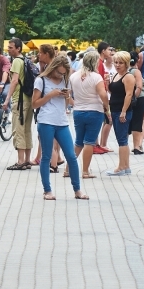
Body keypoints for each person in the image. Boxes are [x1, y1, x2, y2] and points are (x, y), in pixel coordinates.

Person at [34, 55, 88, 201]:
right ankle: (47, 190)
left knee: (71, 156)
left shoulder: (66, 80)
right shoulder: (41, 81)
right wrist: (51, 94)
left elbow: (69, 102)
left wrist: (67, 96)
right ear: (53, 68)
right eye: (58, 72)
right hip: (46, 121)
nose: (60, 75)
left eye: (63, 73)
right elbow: (34, 104)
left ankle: (77, 189)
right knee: (46, 156)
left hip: (62, 122)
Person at [69, 51, 109, 179]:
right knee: (89, 142)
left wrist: (73, 103)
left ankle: (68, 169)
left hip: (78, 111)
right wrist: (107, 107)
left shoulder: (74, 76)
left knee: (78, 141)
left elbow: (67, 94)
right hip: (94, 111)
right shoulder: (96, 77)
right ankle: (85, 171)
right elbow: (102, 94)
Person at [3, 38, 33, 170]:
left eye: (11, 47)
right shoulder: (26, 60)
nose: (8, 49)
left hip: (19, 100)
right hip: (29, 99)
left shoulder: (16, 61)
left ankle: (20, 161)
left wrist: (7, 98)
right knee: (26, 130)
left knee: (18, 130)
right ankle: (27, 160)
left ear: (18, 48)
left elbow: (14, 81)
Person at [106, 51, 136, 176]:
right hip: (115, 109)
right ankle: (126, 166)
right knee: (121, 138)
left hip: (122, 111)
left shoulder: (128, 77)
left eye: (121, 63)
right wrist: (108, 83)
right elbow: (114, 92)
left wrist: (124, 111)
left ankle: (121, 167)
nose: (118, 65)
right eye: (116, 62)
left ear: (126, 63)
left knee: (122, 140)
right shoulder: (115, 75)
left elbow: (129, 95)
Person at [95, 41, 116, 153]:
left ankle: (98, 144)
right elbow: (100, 82)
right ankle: (97, 144)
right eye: (108, 50)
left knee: (103, 120)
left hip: (103, 95)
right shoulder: (100, 63)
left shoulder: (100, 63)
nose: (110, 52)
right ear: (103, 51)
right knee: (106, 120)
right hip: (102, 96)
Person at [128, 51, 144, 155]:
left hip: (127, 98)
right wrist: (134, 97)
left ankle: (124, 144)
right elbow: (139, 86)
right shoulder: (136, 71)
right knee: (137, 122)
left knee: (127, 122)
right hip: (138, 99)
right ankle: (136, 146)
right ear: (138, 60)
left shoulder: (125, 71)